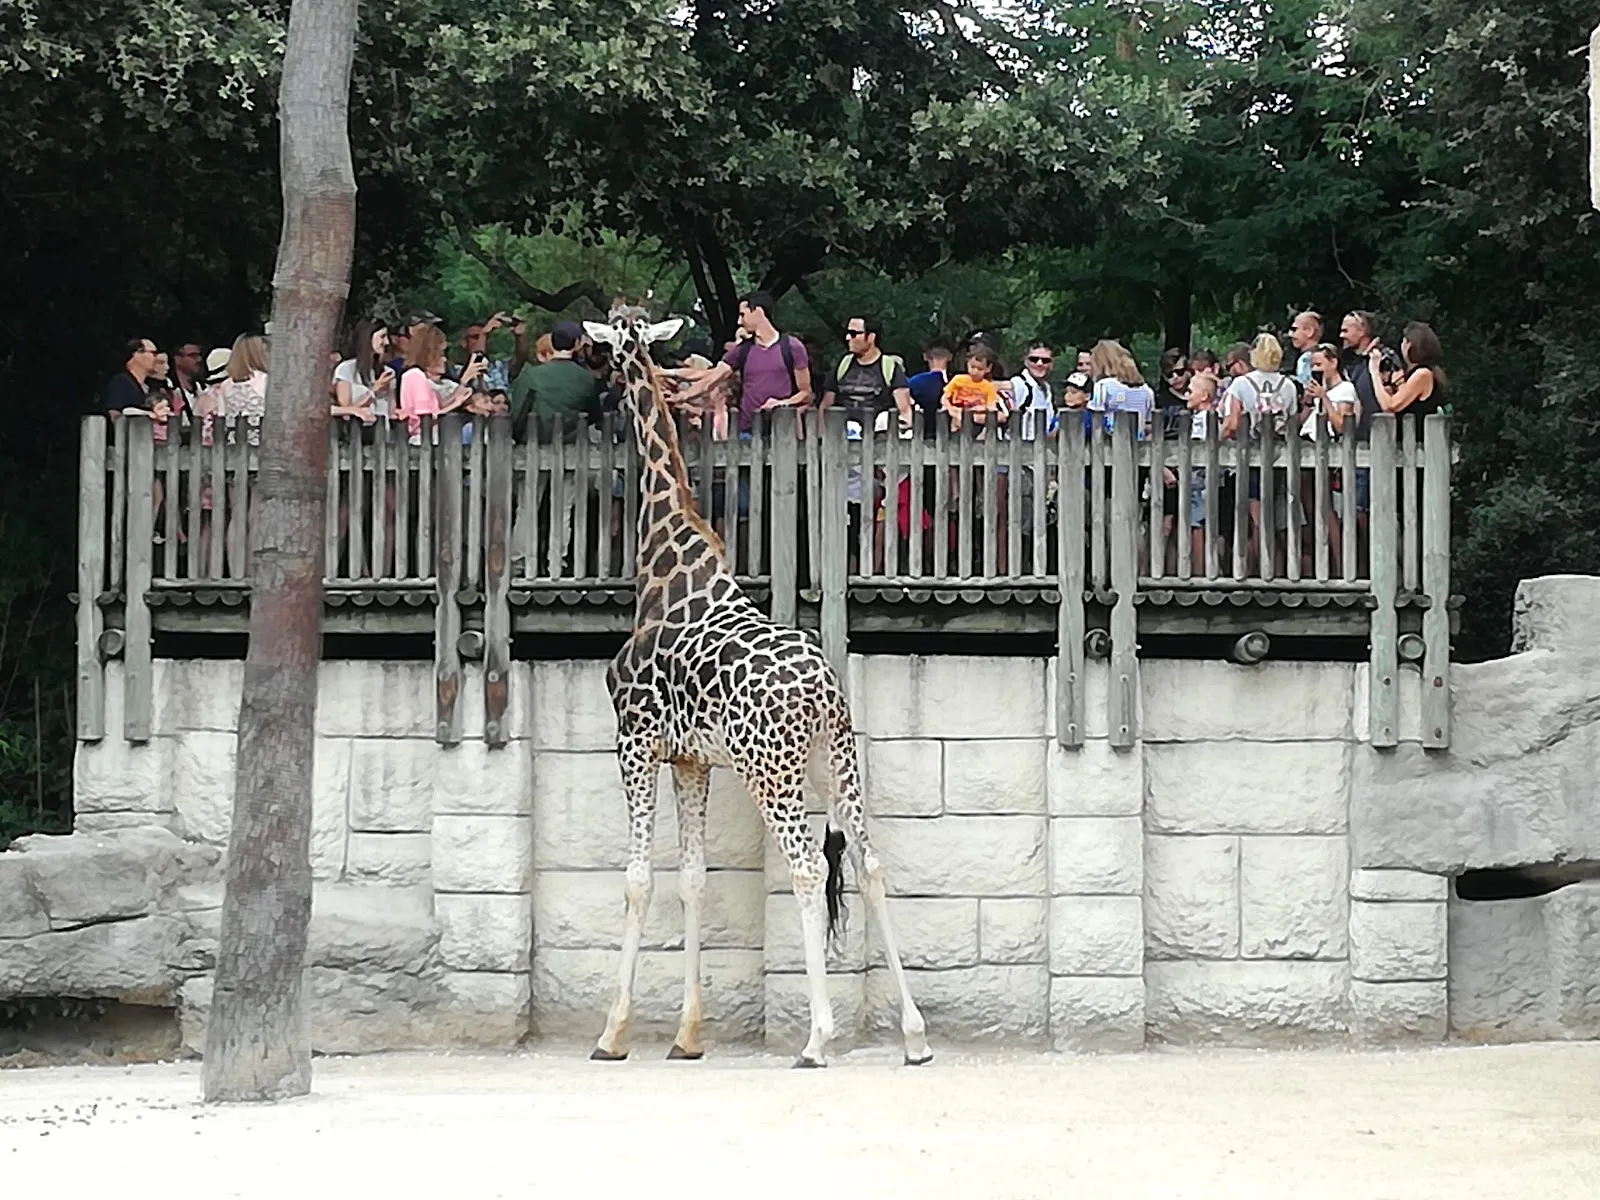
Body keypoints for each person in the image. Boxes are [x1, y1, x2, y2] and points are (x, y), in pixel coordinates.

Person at [676, 292, 811, 435]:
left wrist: (782, 403)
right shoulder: (741, 351)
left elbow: (806, 393)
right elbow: (711, 378)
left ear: (758, 311)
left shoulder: (792, 347)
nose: (739, 321)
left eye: (743, 315)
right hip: (747, 431)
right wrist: (683, 396)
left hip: (783, 432)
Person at [507, 321, 602, 443]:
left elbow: (518, 412)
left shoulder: (532, 375)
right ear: (577, 344)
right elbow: (594, 416)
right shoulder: (587, 378)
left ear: (551, 341)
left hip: (536, 443)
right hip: (574, 446)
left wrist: (516, 436)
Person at [822, 315, 912, 429]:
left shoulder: (890, 368)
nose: (848, 337)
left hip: (879, 440)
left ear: (871, 337)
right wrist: (821, 438)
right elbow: (826, 406)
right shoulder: (842, 365)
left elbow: (904, 410)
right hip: (841, 440)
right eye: (847, 333)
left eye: (853, 333)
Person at [397, 323, 479, 445]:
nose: (444, 360)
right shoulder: (414, 376)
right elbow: (426, 418)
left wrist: (462, 388)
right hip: (425, 441)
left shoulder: (418, 377)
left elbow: (436, 409)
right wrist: (456, 403)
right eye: (440, 355)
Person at [1370, 322, 1446, 417]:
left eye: (1403, 341)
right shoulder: (1414, 373)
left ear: (1409, 344)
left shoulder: (1422, 374)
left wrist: (1374, 372)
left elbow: (1390, 406)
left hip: (1418, 431)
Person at [332, 318, 394, 424]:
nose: (387, 342)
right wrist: (374, 391)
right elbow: (346, 413)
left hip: (383, 435)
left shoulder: (387, 372)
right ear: (368, 337)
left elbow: (391, 411)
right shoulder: (346, 370)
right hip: (358, 435)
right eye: (382, 337)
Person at [939, 345, 1007, 433]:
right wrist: (951, 410)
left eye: (979, 369)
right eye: (972, 367)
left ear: (988, 368)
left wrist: (981, 408)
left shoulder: (988, 386)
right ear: (967, 363)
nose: (974, 372)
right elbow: (944, 398)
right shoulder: (958, 379)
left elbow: (991, 407)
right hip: (956, 413)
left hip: (977, 418)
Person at [1006, 341, 1058, 442]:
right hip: (1019, 447)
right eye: (1034, 359)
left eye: (1045, 360)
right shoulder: (1019, 383)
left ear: (1051, 364)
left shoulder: (1047, 388)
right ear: (1026, 361)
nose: (1039, 364)